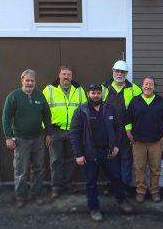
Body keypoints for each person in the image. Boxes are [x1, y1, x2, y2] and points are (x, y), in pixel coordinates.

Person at [69, 83, 133, 222]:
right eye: (93, 93)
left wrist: (116, 146)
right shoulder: (81, 111)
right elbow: (74, 133)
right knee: (91, 183)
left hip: (108, 152)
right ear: (88, 94)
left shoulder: (109, 108)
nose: (96, 95)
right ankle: (94, 208)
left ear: (102, 94)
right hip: (90, 154)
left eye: (98, 93)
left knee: (116, 177)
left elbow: (118, 127)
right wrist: (79, 154)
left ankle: (121, 200)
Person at [2, 69, 52, 208]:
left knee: (38, 168)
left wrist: (48, 133)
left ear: (35, 82)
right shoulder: (14, 96)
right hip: (21, 139)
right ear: (22, 80)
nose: (30, 83)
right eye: (27, 80)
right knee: (21, 170)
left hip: (38, 138)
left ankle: (36, 194)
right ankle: (21, 196)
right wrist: (8, 137)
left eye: (32, 80)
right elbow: (6, 117)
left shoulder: (40, 95)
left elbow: (47, 115)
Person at [43, 65, 87, 199]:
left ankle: (68, 183)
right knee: (56, 160)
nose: (66, 77)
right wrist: (47, 132)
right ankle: (56, 187)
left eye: (68, 74)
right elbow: (42, 112)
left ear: (71, 76)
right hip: (55, 131)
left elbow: (85, 110)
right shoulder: (49, 90)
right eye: (64, 74)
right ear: (59, 75)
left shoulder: (79, 90)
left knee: (71, 159)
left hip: (74, 131)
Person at [125, 76, 163, 203]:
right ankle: (140, 192)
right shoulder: (135, 101)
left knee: (155, 169)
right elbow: (127, 120)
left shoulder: (160, 101)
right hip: (138, 142)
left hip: (156, 142)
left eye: (151, 84)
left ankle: (155, 192)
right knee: (139, 168)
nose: (148, 86)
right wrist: (129, 134)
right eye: (146, 84)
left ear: (154, 87)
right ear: (142, 86)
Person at [102, 60, 142, 189]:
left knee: (125, 158)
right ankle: (111, 185)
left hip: (126, 130)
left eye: (122, 72)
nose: (119, 74)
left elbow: (139, 110)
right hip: (109, 131)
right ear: (113, 72)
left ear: (126, 73)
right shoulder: (104, 88)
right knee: (110, 159)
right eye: (117, 71)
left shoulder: (134, 89)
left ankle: (123, 186)